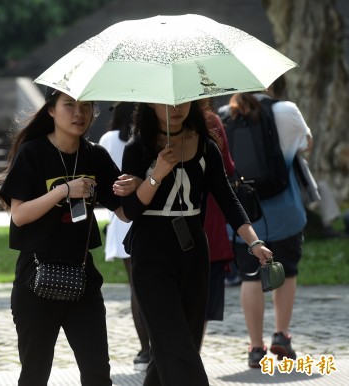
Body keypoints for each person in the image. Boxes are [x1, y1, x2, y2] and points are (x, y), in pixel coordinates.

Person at [120, 100, 272, 386]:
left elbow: (227, 198)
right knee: (174, 342)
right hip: (151, 250)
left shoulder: (205, 146)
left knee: (181, 343)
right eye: (166, 103)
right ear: (151, 105)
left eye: (182, 101)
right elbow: (129, 211)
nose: (175, 108)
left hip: (192, 251)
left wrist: (254, 243)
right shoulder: (137, 148)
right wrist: (156, 174)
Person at [0, 87, 136, 386]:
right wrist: (64, 190)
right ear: (51, 110)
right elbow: (19, 215)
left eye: (86, 106)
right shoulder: (32, 152)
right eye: (69, 105)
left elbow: (125, 212)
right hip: (36, 276)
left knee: (98, 372)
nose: (79, 113)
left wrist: (150, 177)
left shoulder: (95, 155)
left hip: (82, 275)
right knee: (35, 373)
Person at [222, 76, 312, 368]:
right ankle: (282, 336)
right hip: (285, 212)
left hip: (244, 217)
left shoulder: (225, 116)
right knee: (286, 271)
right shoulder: (286, 110)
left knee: (250, 276)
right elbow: (307, 144)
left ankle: (255, 347)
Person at [98, 101, 150, 370]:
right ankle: (149, 349)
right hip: (141, 215)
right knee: (147, 286)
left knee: (136, 286)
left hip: (120, 221)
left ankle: (145, 349)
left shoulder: (108, 139)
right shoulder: (147, 139)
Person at [199, 99, 237, 340]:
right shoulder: (209, 120)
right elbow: (228, 169)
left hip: (174, 228)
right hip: (208, 224)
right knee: (200, 306)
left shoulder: (152, 124)